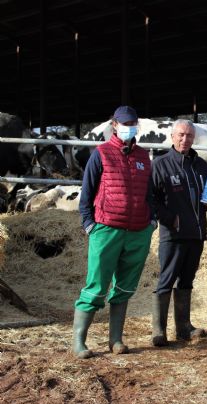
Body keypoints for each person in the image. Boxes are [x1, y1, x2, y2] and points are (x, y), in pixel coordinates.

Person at [72, 105, 155, 359]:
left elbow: (149, 193)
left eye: (133, 123)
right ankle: (79, 341)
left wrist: (150, 223)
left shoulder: (143, 157)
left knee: (125, 286)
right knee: (96, 284)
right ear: (114, 125)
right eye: (124, 123)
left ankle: (116, 339)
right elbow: (86, 194)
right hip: (106, 228)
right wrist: (89, 225)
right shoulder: (101, 154)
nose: (129, 127)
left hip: (138, 231)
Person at [150, 119, 207, 346]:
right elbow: (152, 199)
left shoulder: (201, 166)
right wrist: (169, 218)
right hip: (172, 234)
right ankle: (159, 331)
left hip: (196, 233)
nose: (185, 139)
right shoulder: (161, 164)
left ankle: (183, 327)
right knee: (166, 279)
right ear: (173, 137)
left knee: (187, 280)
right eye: (181, 135)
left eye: (190, 136)